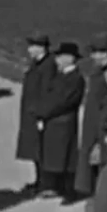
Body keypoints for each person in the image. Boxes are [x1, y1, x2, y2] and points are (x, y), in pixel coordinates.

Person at [35, 43, 86, 200]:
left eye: (60, 56)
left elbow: (63, 101)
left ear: (69, 59)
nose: (56, 59)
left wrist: (43, 112)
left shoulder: (76, 79)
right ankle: (53, 185)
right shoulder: (60, 76)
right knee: (52, 155)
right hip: (54, 121)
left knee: (66, 156)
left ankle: (69, 189)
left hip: (64, 122)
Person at [71, 35, 107, 198]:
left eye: (96, 53)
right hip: (91, 122)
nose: (92, 57)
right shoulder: (97, 72)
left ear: (105, 54)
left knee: (99, 158)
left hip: (99, 125)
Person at [15, 34, 55, 194]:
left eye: (32, 46)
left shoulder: (48, 65)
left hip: (39, 113)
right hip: (31, 112)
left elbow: (46, 92)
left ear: (41, 47)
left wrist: (41, 115)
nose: (29, 50)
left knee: (42, 150)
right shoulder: (37, 63)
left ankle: (46, 183)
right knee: (35, 150)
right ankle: (39, 180)